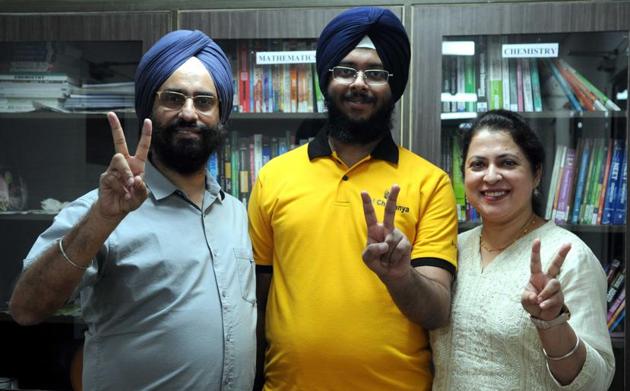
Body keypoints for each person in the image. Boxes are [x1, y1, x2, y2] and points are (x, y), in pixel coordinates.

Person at [9, 29, 256, 390]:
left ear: (221, 116)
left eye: (204, 101)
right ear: (149, 110)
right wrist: (101, 220)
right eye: (174, 98)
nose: (189, 113)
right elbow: (26, 309)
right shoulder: (103, 208)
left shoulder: (234, 212)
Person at [248, 6, 458, 390]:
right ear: (326, 79)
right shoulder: (273, 177)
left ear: (394, 86)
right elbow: (257, 302)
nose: (359, 84)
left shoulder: (431, 183)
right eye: (346, 70)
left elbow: (437, 311)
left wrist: (400, 276)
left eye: (376, 73)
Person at [431, 109, 615, 390]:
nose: (491, 177)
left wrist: (552, 323)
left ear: (536, 173)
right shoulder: (451, 248)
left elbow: (595, 382)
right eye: (478, 165)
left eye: (507, 163)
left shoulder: (569, 256)